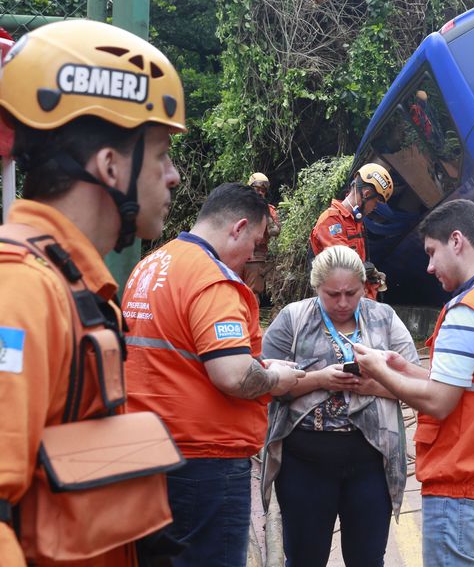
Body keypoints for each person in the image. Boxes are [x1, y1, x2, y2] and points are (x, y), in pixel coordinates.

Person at [0, 20, 184, 565]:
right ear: (110, 166)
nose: (173, 176)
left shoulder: (73, 286)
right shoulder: (22, 290)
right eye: (161, 154)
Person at [122, 182, 305, 567]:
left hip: (146, 455)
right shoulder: (212, 279)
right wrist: (276, 379)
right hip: (204, 464)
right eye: (255, 243)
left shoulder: (151, 266)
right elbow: (234, 375)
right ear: (238, 228)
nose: (252, 255)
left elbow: (182, 355)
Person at [352, 199, 474, 566]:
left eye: (431, 252)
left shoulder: (468, 309)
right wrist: (404, 370)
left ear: (456, 241)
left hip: (461, 491)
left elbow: (440, 401)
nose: (429, 266)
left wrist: (378, 369)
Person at [260, 245, 419, 567]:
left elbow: (416, 381)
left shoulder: (383, 318)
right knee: (304, 559)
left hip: (371, 463)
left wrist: (373, 385)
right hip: (304, 465)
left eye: (352, 293)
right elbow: (265, 384)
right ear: (316, 287)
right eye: (333, 294)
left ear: (364, 286)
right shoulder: (293, 318)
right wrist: (319, 379)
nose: (343, 303)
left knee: (368, 559)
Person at [310, 162, 394, 300]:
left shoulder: (357, 222)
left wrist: (373, 275)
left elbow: (359, 263)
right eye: (376, 202)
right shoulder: (331, 220)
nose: (375, 208)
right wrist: (366, 269)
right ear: (366, 194)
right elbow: (343, 265)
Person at [243, 171, 280, 303]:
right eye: (257, 189)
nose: (260, 193)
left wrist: (265, 213)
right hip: (236, 255)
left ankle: (252, 316)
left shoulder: (269, 210)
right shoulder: (239, 206)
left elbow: (274, 231)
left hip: (256, 257)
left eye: (263, 190)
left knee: (252, 294)